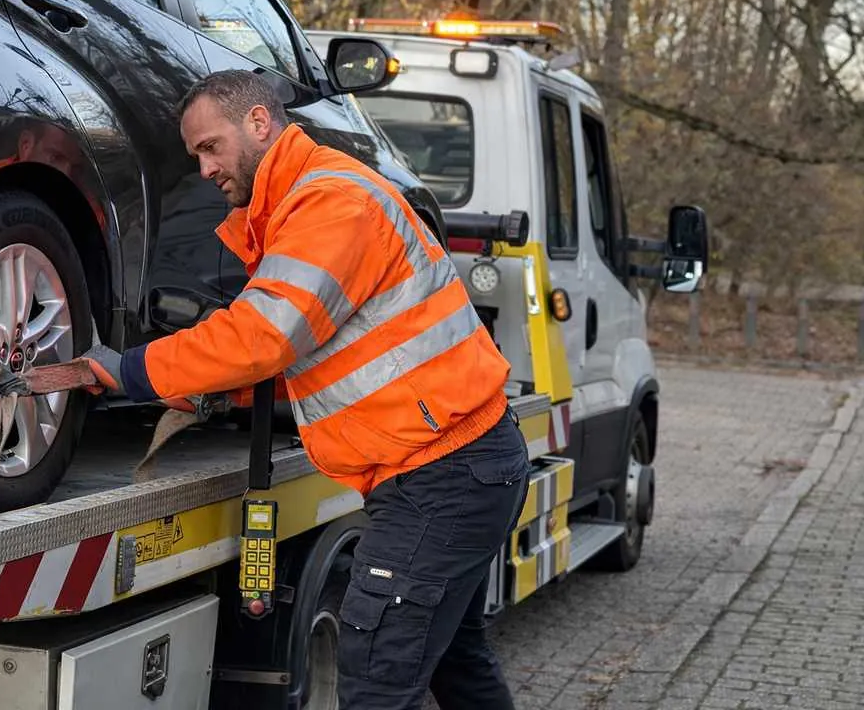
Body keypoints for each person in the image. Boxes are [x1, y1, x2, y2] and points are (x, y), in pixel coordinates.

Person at [85, 69, 530, 709]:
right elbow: (322, 353)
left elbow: (262, 336)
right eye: (195, 155)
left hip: (442, 475)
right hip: (457, 464)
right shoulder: (303, 205)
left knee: (376, 673)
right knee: (456, 663)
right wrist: (218, 395)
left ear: (259, 123)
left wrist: (132, 371)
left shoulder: (331, 204)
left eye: (210, 147)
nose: (204, 168)